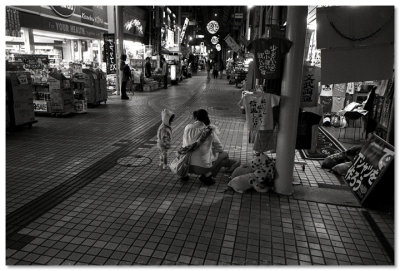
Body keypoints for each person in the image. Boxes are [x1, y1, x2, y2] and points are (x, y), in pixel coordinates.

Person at [181, 109, 239, 185]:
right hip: (201, 168)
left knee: (197, 154)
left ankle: (185, 174)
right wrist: (210, 149)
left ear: (195, 117)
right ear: (206, 118)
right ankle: (208, 175)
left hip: (185, 163)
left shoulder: (187, 128)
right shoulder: (209, 131)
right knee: (223, 154)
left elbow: (185, 144)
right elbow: (219, 148)